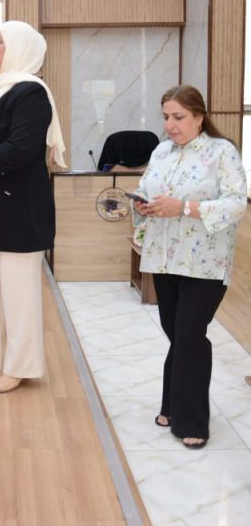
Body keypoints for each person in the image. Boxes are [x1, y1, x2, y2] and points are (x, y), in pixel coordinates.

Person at [132, 85, 247, 449]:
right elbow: (145, 188)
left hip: (205, 264)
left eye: (179, 117)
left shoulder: (222, 152)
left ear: (199, 117)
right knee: (177, 335)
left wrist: (183, 207)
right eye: (166, 117)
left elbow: (236, 204)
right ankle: (171, 404)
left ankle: (192, 420)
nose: (171, 125)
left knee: (190, 336)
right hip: (164, 258)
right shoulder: (161, 152)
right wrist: (142, 205)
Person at [0, 21, 66, 394]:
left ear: (18, 48)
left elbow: (22, 150)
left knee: (19, 295)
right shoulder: (0, 89)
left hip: (17, 213)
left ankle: (20, 365)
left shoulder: (31, 94)